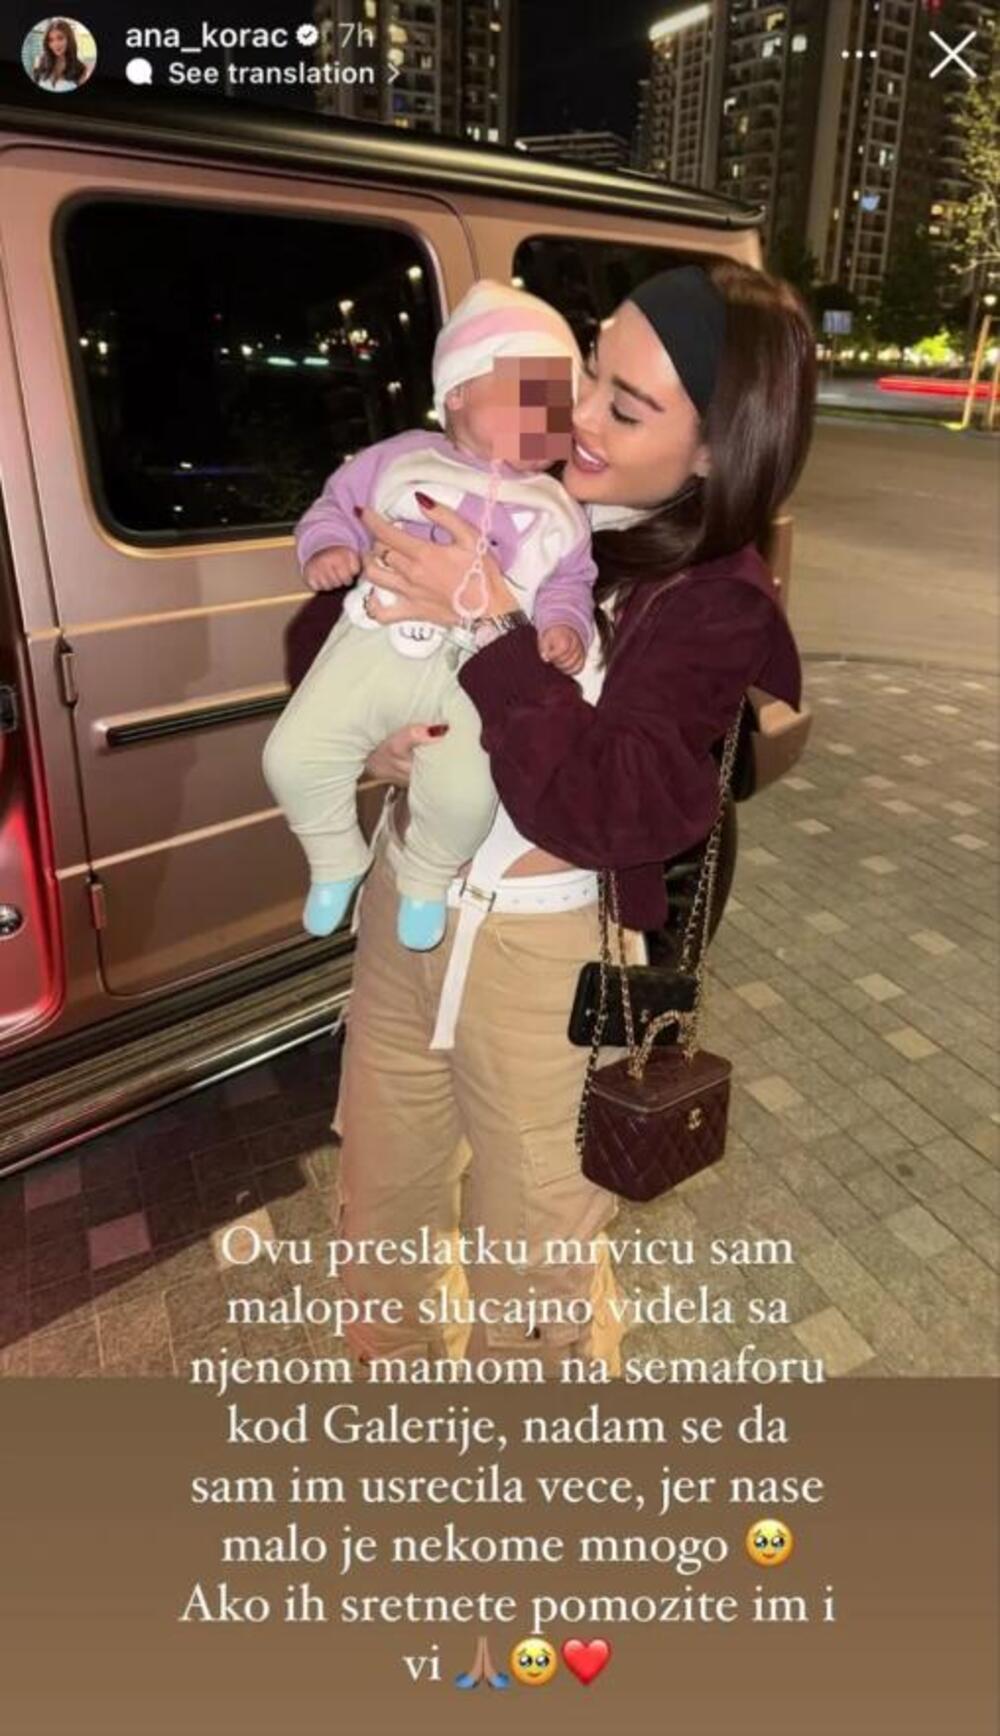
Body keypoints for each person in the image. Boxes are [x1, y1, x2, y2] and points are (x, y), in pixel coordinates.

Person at [295, 259, 815, 1377]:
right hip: (405, 914)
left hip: (549, 963)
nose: (571, 416)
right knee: (376, 1219)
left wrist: (492, 629)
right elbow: (327, 617)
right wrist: (370, 735)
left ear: (716, 449)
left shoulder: (709, 599)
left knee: (532, 1285)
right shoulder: (498, 481)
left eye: (624, 407)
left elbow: (606, 805)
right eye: (585, 374)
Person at [262, 281, 596, 952]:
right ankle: (334, 856)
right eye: (532, 396)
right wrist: (327, 548)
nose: (551, 418)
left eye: (561, 403)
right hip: (373, 646)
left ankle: (426, 876)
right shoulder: (403, 457)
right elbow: (336, 506)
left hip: (473, 673)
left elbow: (570, 580)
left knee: (466, 794)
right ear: (459, 392)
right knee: (291, 757)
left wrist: (566, 626)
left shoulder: (560, 507)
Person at [31, 18, 91, 91]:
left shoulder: (80, 68)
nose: (55, 44)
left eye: (60, 38)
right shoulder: (39, 61)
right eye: (51, 40)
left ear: (69, 39)